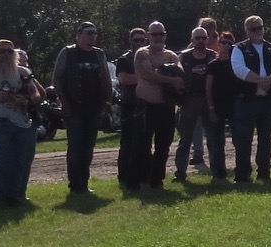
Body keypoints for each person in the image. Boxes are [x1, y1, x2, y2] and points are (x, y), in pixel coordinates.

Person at [0, 41, 43, 208]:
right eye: (1, 51)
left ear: (15, 54)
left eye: (9, 51)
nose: (5, 54)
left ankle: (18, 195)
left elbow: (37, 95)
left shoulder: (23, 72)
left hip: (24, 123)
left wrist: (24, 100)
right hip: (3, 122)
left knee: (23, 161)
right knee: (2, 162)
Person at [53, 21, 114, 193]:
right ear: (79, 35)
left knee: (88, 147)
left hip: (93, 107)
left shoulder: (98, 54)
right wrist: (63, 100)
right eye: (88, 33)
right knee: (75, 147)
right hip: (74, 107)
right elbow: (57, 78)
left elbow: (106, 79)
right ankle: (75, 185)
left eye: (94, 33)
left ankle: (84, 183)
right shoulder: (68, 52)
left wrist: (107, 102)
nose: (92, 36)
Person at [230, 15, 271, 182]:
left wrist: (269, 79)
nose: (257, 32)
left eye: (260, 28)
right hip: (246, 100)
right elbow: (238, 69)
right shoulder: (238, 49)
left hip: (267, 100)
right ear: (246, 31)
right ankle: (242, 174)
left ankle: (264, 172)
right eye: (253, 29)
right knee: (243, 138)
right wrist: (260, 80)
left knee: (266, 138)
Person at [132, 22, 186, 189]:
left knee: (164, 145)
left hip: (166, 107)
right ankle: (138, 179)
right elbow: (147, 75)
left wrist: (163, 73)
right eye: (154, 34)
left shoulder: (171, 55)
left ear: (165, 35)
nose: (158, 38)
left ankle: (157, 180)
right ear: (148, 36)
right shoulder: (142, 53)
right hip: (146, 106)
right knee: (142, 145)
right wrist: (169, 78)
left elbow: (179, 74)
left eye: (161, 34)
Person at [173, 27, 217, 183]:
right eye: (197, 38)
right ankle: (180, 172)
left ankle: (217, 171)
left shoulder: (213, 56)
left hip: (208, 100)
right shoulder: (183, 58)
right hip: (190, 100)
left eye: (203, 38)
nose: (200, 41)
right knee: (185, 139)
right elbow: (177, 80)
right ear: (192, 40)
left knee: (212, 137)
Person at [115, 27, 148, 187]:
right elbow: (124, 79)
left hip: (146, 103)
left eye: (143, 40)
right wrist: (147, 76)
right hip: (129, 105)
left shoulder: (148, 57)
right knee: (128, 142)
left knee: (144, 142)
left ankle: (143, 175)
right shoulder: (124, 59)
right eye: (136, 40)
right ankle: (124, 176)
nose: (140, 43)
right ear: (131, 41)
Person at [206, 31, 238, 180]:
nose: (226, 46)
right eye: (223, 42)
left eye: (229, 43)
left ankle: (242, 170)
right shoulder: (213, 65)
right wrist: (211, 108)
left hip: (234, 105)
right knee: (217, 140)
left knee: (239, 138)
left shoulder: (237, 64)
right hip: (218, 105)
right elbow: (208, 88)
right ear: (218, 44)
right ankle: (218, 173)